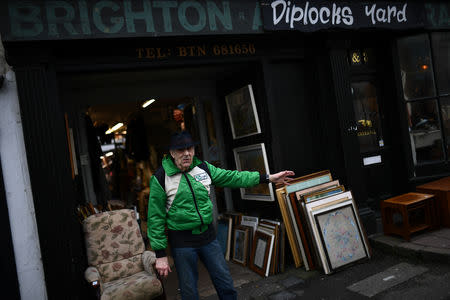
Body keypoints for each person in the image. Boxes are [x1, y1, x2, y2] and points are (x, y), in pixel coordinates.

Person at [147, 131, 295, 300]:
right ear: (172, 153)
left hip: (208, 238)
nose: (186, 153)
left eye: (190, 148)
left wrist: (268, 178)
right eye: (181, 150)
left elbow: (234, 177)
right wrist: (160, 255)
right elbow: (155, 218)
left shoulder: (203, 168)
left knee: (225, 284)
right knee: (189, 293)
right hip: (182, 243)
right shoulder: (160, 178)